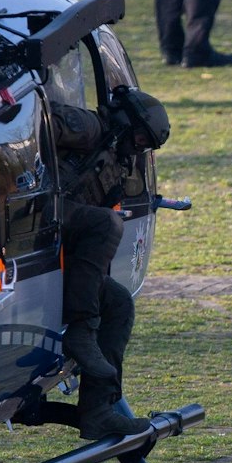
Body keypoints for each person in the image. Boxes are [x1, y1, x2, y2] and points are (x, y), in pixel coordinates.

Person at [25, 88, 171, 441]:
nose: (137, 148)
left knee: (119, 303)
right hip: (36, 218)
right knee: (106, 223)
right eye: (138, 138)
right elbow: (31, 132)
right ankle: (81, 330)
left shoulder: (116, 160)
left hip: (60, 244)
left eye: (144, 145)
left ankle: (99, 410)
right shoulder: (88, 127)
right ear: (124, 121)